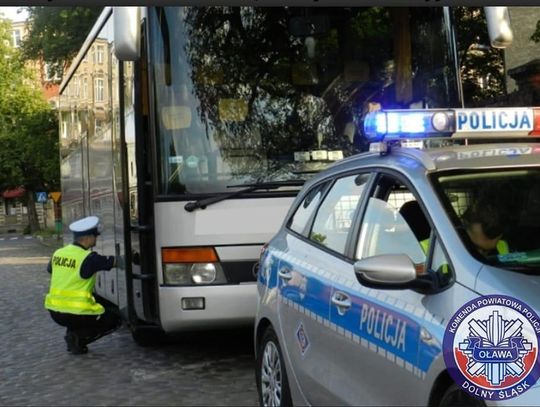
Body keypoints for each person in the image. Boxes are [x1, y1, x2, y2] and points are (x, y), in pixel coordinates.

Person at [44, 215, 123, 355]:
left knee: (89, 306)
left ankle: (73, 337)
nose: (96, 239)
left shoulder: (59, 252)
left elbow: (50, 269)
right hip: (75, 312)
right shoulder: (88, 258)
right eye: (95, 236)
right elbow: (116, 262)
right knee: (114, 319)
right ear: (87, 238)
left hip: (54, 311)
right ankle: (79, 338)